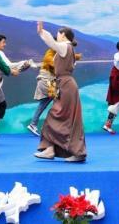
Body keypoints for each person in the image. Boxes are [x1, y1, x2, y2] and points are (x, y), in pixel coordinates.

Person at [34, 22, 87, 162]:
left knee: (58, 116)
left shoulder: (64, 46)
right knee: (64, 118)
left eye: (58, 34)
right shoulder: (69, 49)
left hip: (66, 85)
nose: (57, 36)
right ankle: (50, 149)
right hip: (65, 85)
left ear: (63, 35)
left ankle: (76, 152)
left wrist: (41, 32)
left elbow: (52, 43)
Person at [27, 48, 82, 136]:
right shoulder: (51, 55)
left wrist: (75, 57)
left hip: (48, 83)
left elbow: (64, 58)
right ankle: (48, 127)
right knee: (59, 102)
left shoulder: (56, 54)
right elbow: (57, 65)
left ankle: (33, 124)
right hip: (47, 83)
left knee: (43, 104)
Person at [0, 34, 33, 135]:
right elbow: (8, 66)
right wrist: (24, 63)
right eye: (3, 42)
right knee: (0, 106)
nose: (5, 44)